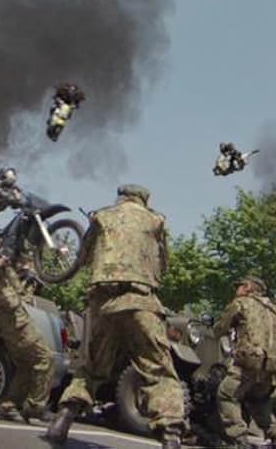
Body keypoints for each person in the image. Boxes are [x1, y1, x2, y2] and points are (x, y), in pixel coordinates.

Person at [46, 185, 186, 449]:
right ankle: (170, 436)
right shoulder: (156, 221)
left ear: (121, 197)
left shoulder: (102, 216)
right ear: (144, 200)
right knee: (158, 370)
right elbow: (164, 264)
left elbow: (83, 257)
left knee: (94, 365)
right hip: (140, 300)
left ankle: (63, 418)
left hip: (104, 301)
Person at [0, 224, 54, 423]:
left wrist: (28, 279)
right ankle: (35, 408)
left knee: (25, 365)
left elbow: (17, 291)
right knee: (45, 359)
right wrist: (1, 263)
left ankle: (7, 407)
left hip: (14, 316)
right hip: (9, 319)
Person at [215, 276, 276, 449]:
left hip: (250, 362)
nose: (236, 290)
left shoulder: (241, 303)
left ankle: (239, 438)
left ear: (247, 287)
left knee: (226, 394)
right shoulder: (274, 309)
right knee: (258, 401)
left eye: (239, 286)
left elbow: (220, 328)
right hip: (273, 365)